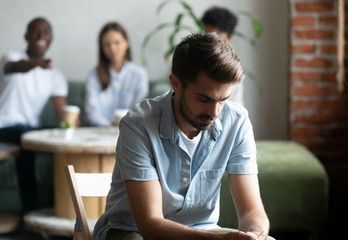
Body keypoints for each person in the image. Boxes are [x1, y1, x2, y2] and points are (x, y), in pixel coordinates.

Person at [93, 33, 271, 240]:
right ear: (175, 84)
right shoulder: (138, 126)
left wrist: (254, 234)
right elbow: (150, 225)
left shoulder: (237, 122)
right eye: (204, 99)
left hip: (204, 230)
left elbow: (251, 211)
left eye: (223, 100)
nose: (214, 112)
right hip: (132, 231)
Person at [0, 17, 68, 213]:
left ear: (51, 38)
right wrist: (38, 64)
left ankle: (53, 203)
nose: (40, 35)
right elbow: (15, 67)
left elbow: (61, 111)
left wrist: (68, 124)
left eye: (45, 31)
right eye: (35, 31)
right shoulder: (11, 58)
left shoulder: (55, 75)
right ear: (26, 36)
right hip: (4, 126)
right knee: (26, 137)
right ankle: (29, 209)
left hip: (30, 130)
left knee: (58, 139)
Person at [85, 22, 149, 127]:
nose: (112, 49)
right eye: (107, 45)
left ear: (126, 43)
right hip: (101, 130)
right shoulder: (93, 75)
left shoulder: (139, 74)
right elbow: (91, 112)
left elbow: (140, 110)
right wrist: (107, 126)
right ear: (102, 48)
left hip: (131, 130)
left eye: (117, 43)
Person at [201, 6, 244, 107]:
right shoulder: (195, 57)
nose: (211, 40)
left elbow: (237, 105)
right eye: (207, 34)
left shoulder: (234, 67)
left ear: (229, 39)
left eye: (217, 36)